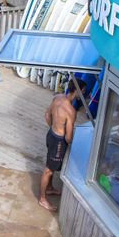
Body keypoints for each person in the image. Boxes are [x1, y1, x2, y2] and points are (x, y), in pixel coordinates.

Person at [39, 79, 84, 211]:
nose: (84, 94)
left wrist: (54, 128)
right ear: (77, 91)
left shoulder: (57, 98)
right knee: (48, 170)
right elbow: (68, 137)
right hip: (58, 142)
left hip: (51, 135)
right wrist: (69, 141)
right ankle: (42, 199)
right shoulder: (70, 111)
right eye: (83, 91)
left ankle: (49, 188)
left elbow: (47, 115)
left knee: (50, 166)